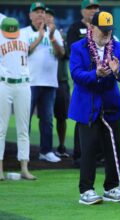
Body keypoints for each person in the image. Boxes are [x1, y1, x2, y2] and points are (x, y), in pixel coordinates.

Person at [69, 11, 120, 205]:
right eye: (103, 31)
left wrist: (117, 71)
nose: (106, 35)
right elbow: (76, 74)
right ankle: (86, 190)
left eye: (109, 31)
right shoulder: (78, 47)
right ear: (92, 28)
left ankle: (111, 187)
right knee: (89, 150)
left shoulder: (117, 47)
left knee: (113, 149)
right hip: (87, 105)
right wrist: (95, 73)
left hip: (110, 104)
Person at [23, 2, 65, 163]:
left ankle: (46, 150)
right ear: (30, 15)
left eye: (42, 12)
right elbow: (23, 52)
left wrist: (52, 37)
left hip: (49, 82)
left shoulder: (53, 32)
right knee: (25, 119)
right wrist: (40, 37)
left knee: (47, 119)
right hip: (29, 82)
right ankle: (23, 152)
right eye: (37, 12)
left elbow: (61, 54)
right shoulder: (24, 33)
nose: (40, 14)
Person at [0, 17, 36, 180]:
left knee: (23, 128)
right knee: (1, 129)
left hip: (23, 85)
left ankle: (24, 168)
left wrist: (41, 37)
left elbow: (29, 51)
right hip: (4, 84)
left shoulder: (24, 36)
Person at [66, 0, 100, 167]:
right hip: (84, 80)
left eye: (95, 7)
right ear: (82, 11)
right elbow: (69, 51)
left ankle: (98, 155)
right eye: (89, 8)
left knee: (99, 119)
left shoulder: (102, 28)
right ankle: (79, 156)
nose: (93, 10)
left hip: (100, 81)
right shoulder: (75, 28)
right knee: (82, 119)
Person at [45, 7, 71, 158]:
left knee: (61, 116)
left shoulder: (61, 36)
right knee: (46, 117)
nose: (48, 19)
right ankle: (45, 148)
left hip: (60, 80)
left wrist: (58, 38)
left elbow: (65, 55)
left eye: (50, 17)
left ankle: (61, 146)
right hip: (43, 82)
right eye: (46, 16)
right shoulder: (34, 35)